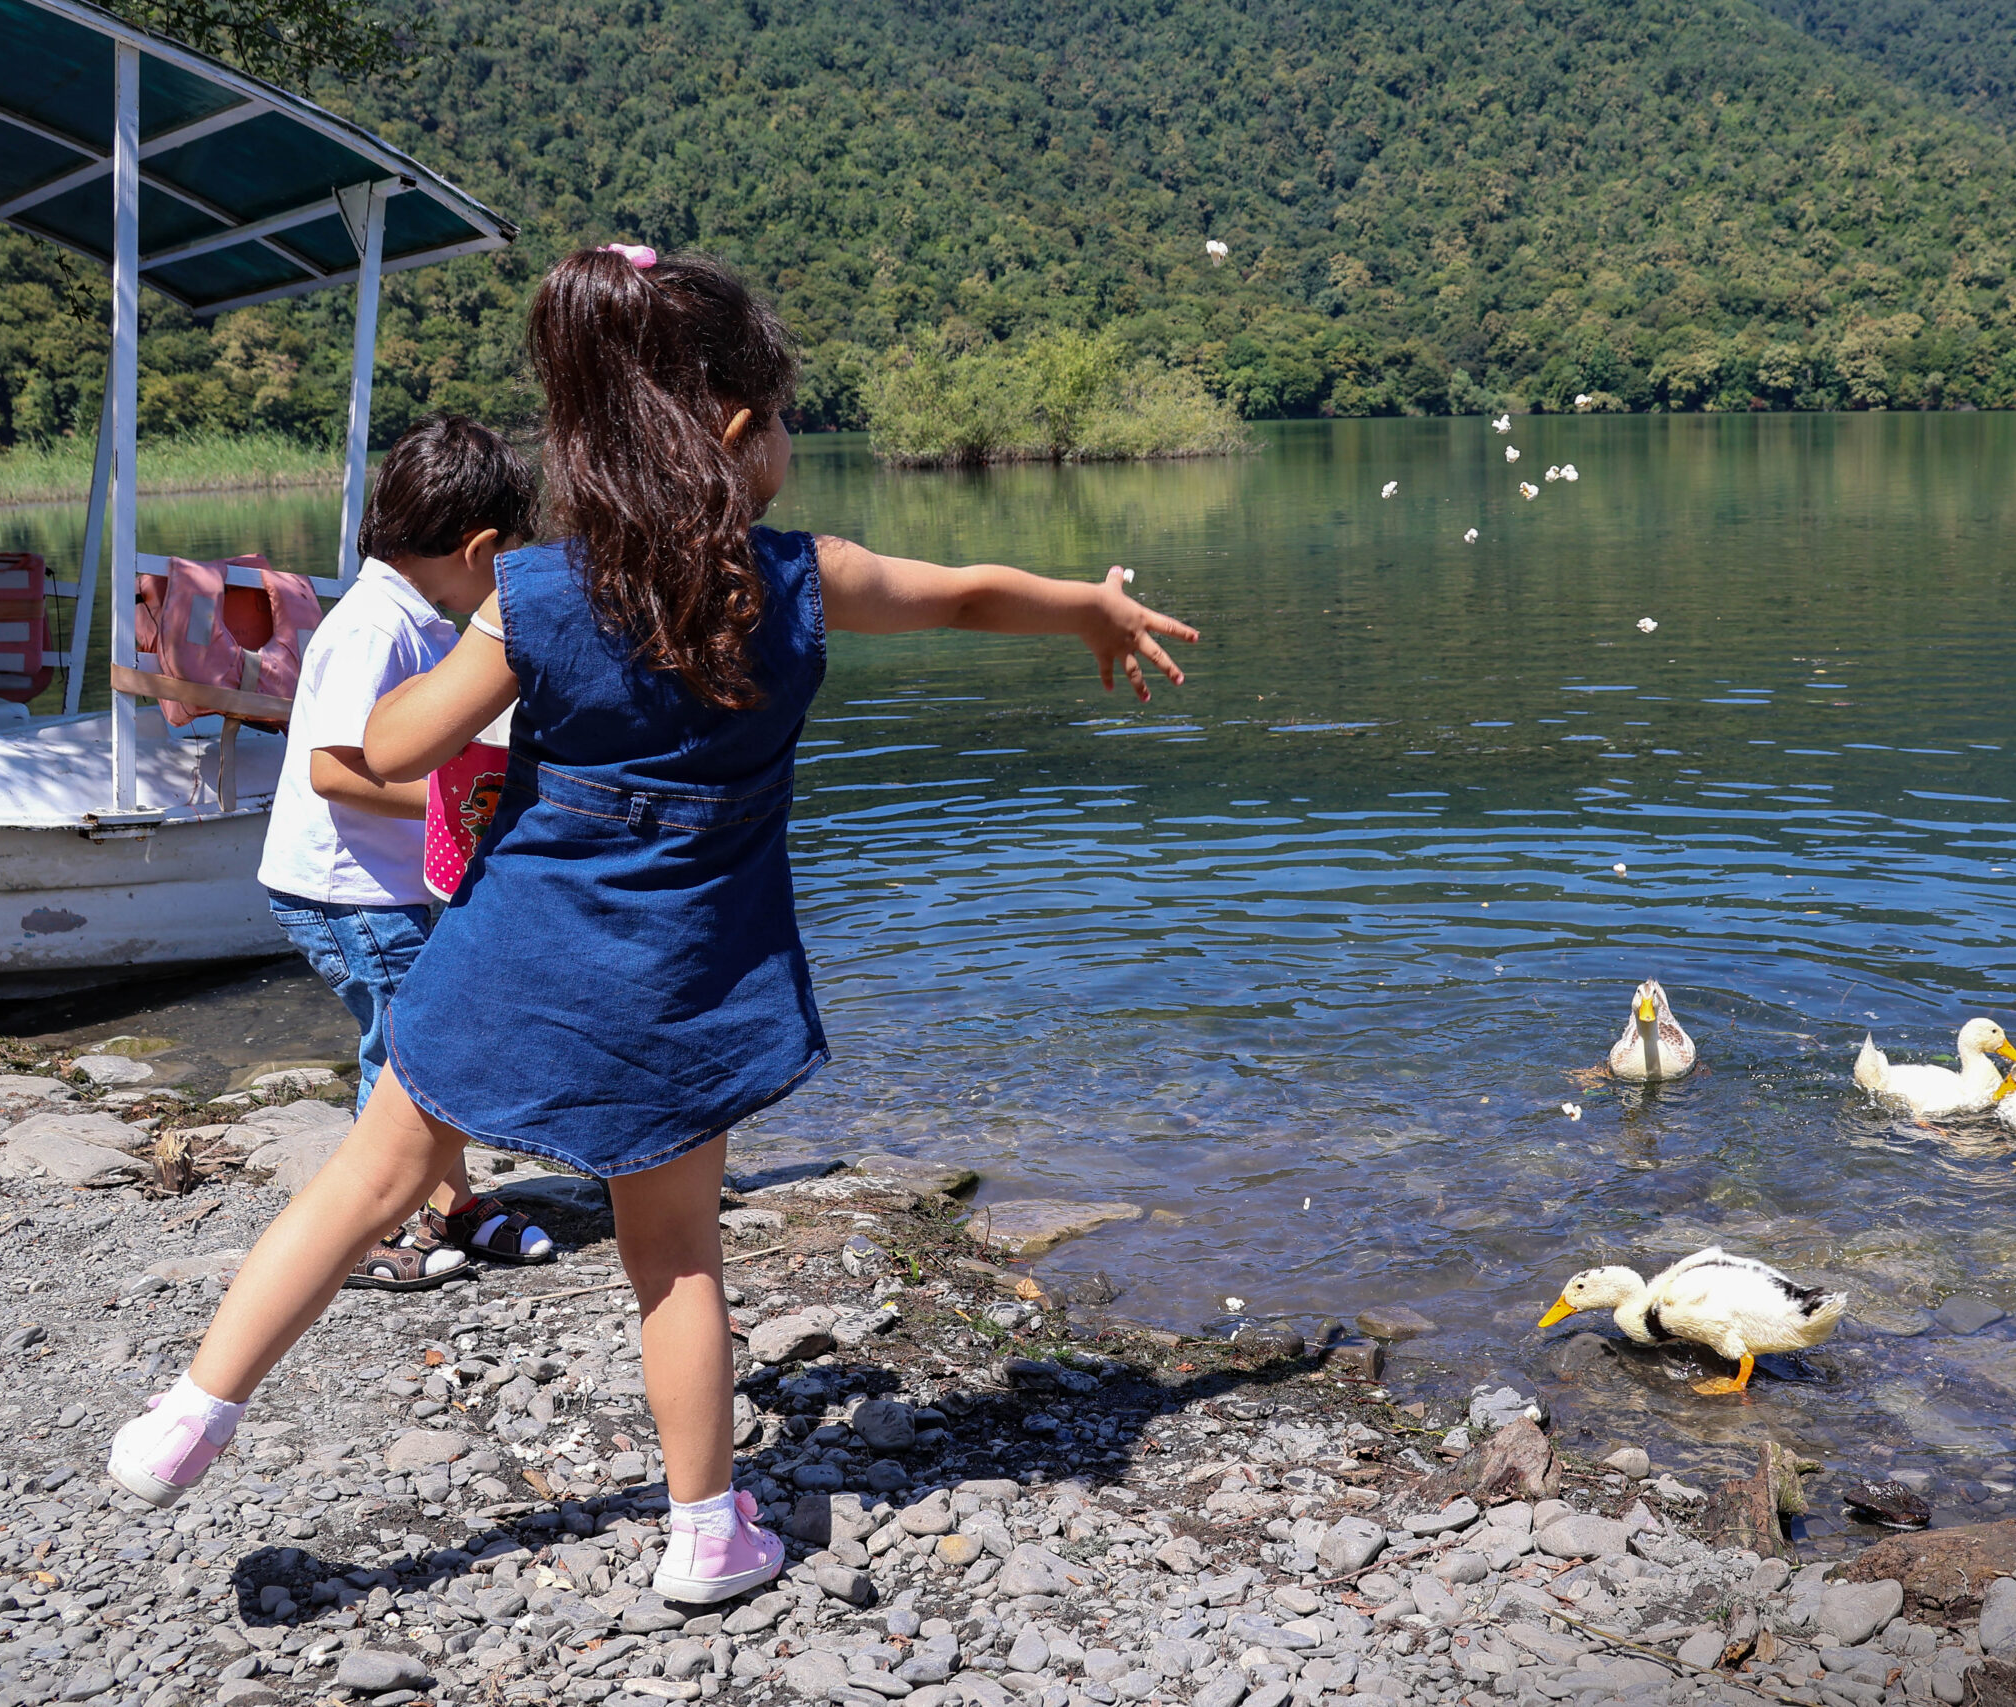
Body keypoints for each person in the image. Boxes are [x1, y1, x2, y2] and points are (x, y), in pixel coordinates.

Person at [109, 244, 1201, 1603]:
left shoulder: (536, 597)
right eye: (785, 420)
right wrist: (1089, 607)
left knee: (366, 1180)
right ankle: (704, 1533)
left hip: (512, 948)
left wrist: (470, 685)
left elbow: (385, 750)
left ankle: (192, 1412)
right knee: (677, 1255)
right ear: (739, 435)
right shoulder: (805, 581)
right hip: (686, 975)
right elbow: (973, 590)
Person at [254, 414, 559, 1291]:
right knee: (408, 1051)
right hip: (342, 890)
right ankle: (379, 1225)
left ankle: (447, 1204)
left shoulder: (417, 618)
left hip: (376, 886)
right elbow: (332, 771)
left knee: (423, 1039)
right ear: (482, 547)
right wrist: (455, 800)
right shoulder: (372, 627)